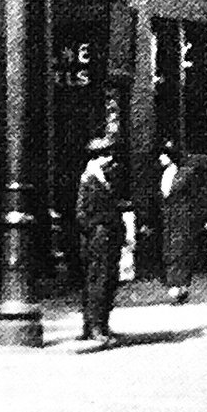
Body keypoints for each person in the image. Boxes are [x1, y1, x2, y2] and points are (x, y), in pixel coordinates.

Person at [76, 138, 125, 348]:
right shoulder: (89, 180)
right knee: (98, 281)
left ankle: (99, 324)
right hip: (97, 238)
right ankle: (95, 326)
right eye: (106, 155)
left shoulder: (106, 178)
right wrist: (95, 230)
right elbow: (81, 212)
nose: (111, 159)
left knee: (107, 280)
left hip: (108, 236)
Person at [157, 141, 206, 303]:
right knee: (169, 251)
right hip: (168, 219)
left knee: (181, 250)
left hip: (183, 218)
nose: (160, 158)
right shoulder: (163, 175)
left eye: (163, 154)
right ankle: (173, 284)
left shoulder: (186, 174)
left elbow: (196, 198)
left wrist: (198, 217)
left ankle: (181, 285)